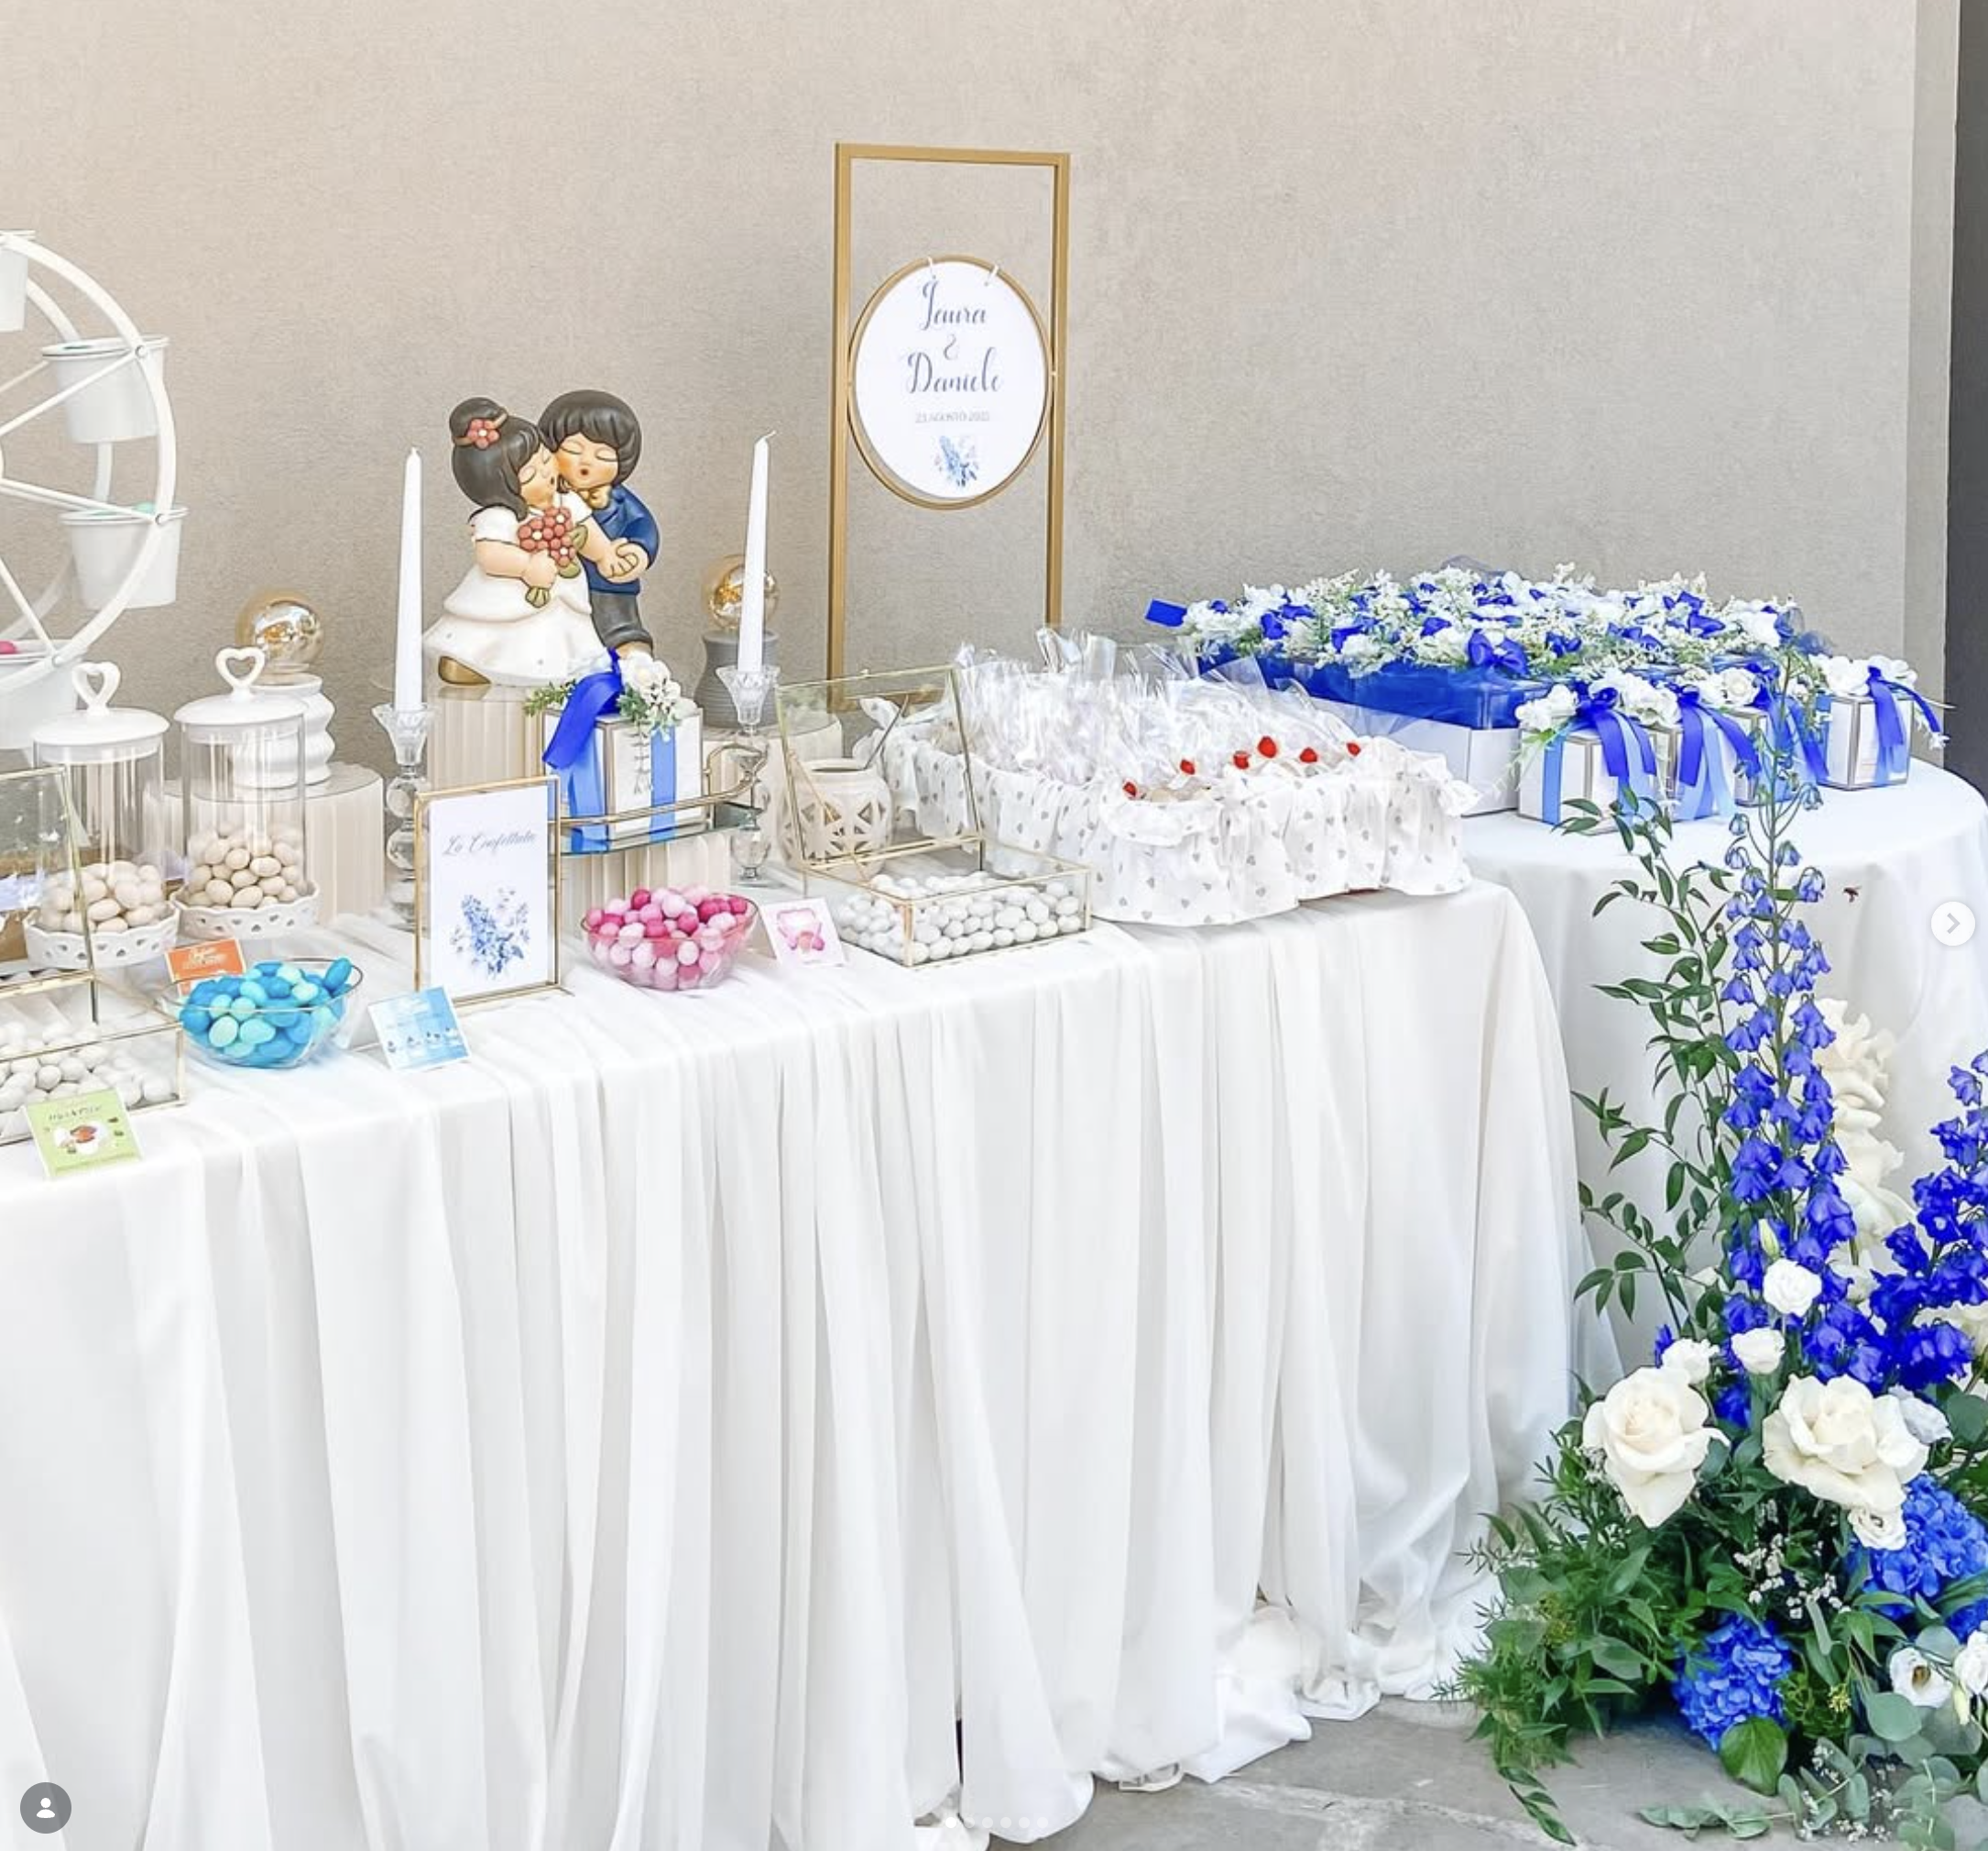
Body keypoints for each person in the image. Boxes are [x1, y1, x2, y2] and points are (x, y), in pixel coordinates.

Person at [424, 398, 624, 688]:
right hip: (511, 592)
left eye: (545, 459)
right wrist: (527, 565)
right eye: (530, 474)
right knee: (505, 628)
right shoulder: (500, 517)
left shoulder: (566, 501)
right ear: (502, 489)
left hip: (562, 585)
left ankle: (565, 670)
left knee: (562, 629)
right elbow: (490, 555)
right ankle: (474, 665)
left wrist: (605, 553)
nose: (545, 473)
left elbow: (586, 532)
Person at [540, 389, 658, 658]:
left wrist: (638, 551)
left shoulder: (619, 501)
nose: (586, 462)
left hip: (606, 585)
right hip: (557, 587)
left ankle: (627, 647)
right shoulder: (544, 496)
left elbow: (643, 525)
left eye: (603, 456)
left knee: (615, 621)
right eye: (573, 450)